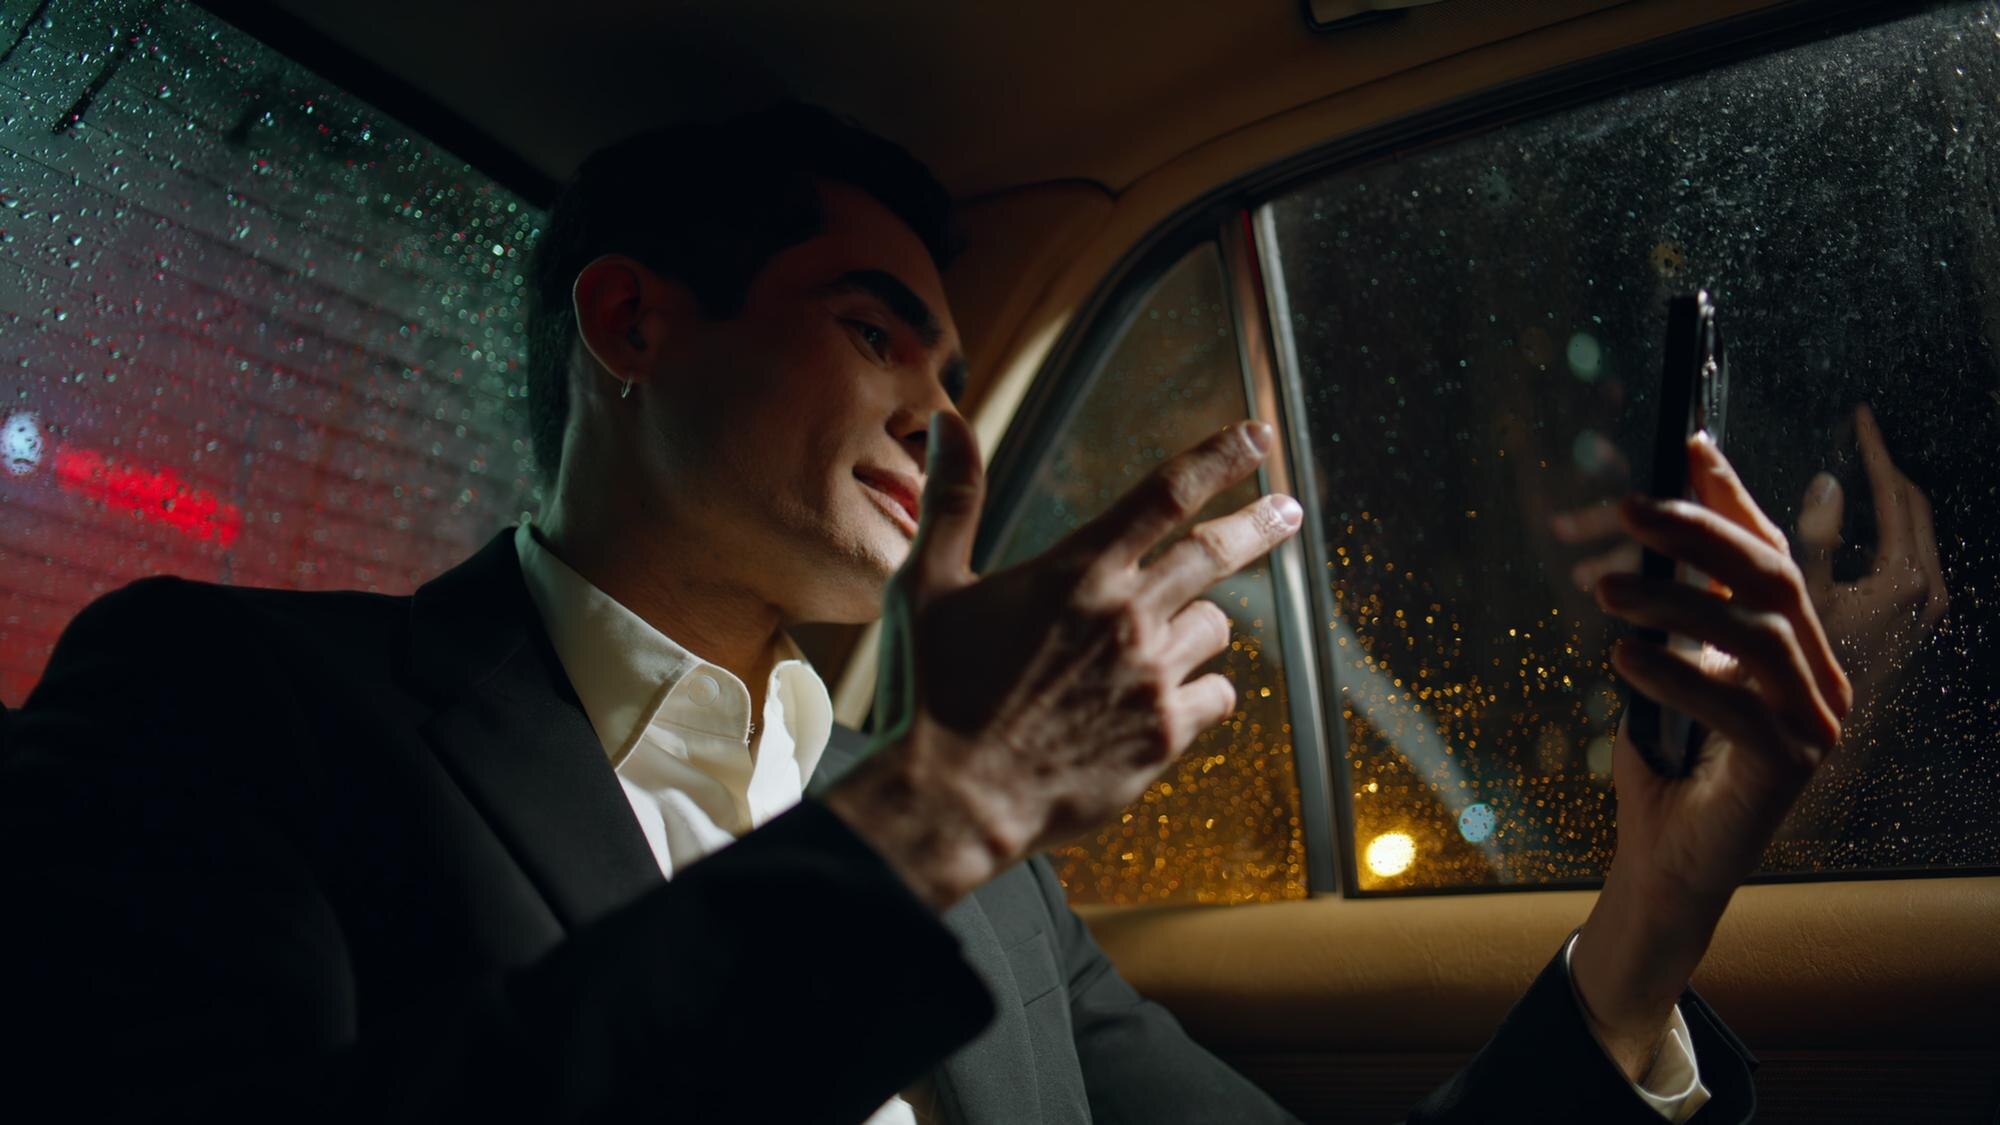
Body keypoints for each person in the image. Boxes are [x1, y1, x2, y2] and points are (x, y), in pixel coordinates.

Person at [0, 103, 1850, 1124]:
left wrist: (1660, 906)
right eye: (873, 325)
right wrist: (945, 804)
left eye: (954, 367)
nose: (936, 414)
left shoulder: (1007, 886)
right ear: (633, 326)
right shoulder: (221, 705)